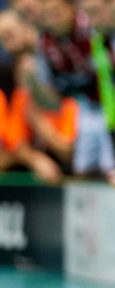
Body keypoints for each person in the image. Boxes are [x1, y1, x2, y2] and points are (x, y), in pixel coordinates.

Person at [24, 0, 115, 176]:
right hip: (80, 105)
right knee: (83, 165)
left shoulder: (93, 30)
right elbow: (51, 98)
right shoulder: (44, 42)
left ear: (72, 8)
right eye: (48, 12)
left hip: (111, 100)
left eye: (58, 9)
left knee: (111, 162)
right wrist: (32, 82)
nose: (54, 16)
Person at [0, 10, 68, 182]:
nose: (6, 41)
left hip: (66, 162)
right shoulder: (9, 79)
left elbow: (65, 146)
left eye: (10, 33)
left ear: (28, 28)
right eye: (2, 37)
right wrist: (33, 158)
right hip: (31, 170)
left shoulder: (57, 61)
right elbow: (14, 141)